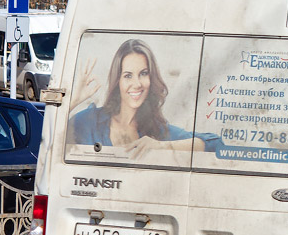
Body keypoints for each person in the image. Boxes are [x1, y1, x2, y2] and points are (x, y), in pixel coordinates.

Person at [68, 38, 211, 158]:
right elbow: (50, 149)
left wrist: (162, 146)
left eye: (143, 73)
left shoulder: (158, 131)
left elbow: (214, 144)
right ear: (118, 81)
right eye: (128, 76)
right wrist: (73, 101)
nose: (137, 84)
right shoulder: (88, 121)